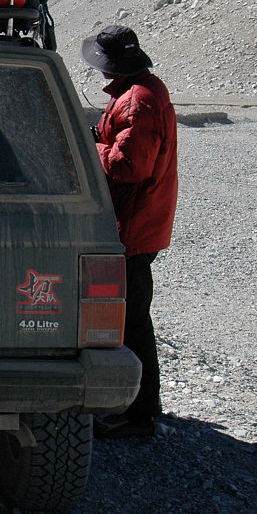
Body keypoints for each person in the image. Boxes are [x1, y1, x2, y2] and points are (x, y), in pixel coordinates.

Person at [81, 24, 178, 439]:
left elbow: (129, 166)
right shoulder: (141, 90)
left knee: (133, 318)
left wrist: (92, 146)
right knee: (132, 315)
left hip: (134, 225)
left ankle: (138, 415)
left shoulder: (138, 102)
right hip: (140, 221)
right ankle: (139, 406)